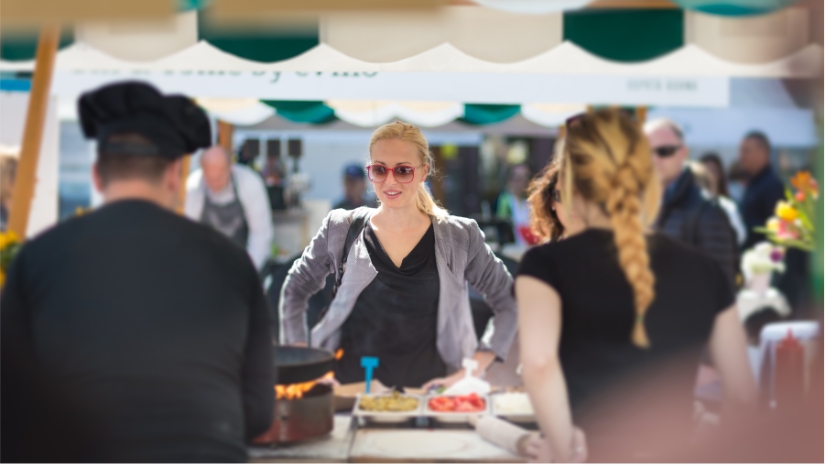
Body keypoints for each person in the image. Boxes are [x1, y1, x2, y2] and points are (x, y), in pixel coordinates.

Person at [0, 82, 273, 462]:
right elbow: (259, 412)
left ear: (97, 176)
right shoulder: (232, 263)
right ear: (175, 177)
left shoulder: (36, 259)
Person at [515, 109, 756, 462]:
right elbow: (743, 392)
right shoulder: (704, 270)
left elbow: (538, 363)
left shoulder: (546, 263)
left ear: (572, 186)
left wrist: (563, 446)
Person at [280, 121, 517, 389]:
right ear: (370, 172)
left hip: (429, 400)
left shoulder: (459, 236)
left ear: (423, 172)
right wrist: (304, 363)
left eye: (403, 170)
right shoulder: (342, 228)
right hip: (352, 397)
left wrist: (470, 372)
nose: (390, 181)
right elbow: (295, 289)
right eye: (380, 170)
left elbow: (508, 301)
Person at [644, 118, 738, 290]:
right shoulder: (637, 204)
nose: (654, 159)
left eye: (664, 151)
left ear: (683, 153)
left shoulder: (707, 210)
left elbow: (722, 288)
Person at [185, 145, 274, 271]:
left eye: (219, 178)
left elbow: (261, 235)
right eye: (210, 179)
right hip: (207, 265)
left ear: (231, 168)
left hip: (246, 259)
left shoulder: (250, 183)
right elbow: (189, 237)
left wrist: (247, 272)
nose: (215, 183)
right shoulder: (193, 187)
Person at [737, 131, 785, 251]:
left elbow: (778, 232)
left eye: (746, 151)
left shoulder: (772, 186)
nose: (741, 156)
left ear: (763, 153)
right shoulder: (754, 182)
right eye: (741, 151)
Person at [696, 155, 747, 246]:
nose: (709, 175)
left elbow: (740, 236)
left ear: (720, 174)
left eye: (713, 171)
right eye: (705, 171)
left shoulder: (728, 205)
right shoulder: (690, 206)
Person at [495, 163, 533, 245]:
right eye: (517, 178)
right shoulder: (505, 200)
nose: (521, 183)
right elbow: (502, 224)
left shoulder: (528, 202)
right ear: (510, 180)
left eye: (525, 178)